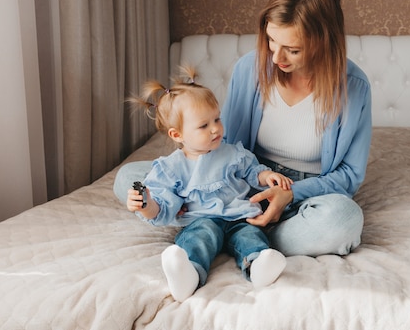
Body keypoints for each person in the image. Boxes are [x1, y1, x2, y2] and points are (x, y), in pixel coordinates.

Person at [115, 0, 372, 260]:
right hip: (242, 181)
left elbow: (349, 176)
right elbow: (228, 144)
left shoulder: (354, 88)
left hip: (305, 194)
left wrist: (290, 193)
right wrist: (210, 182)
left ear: (324, 43)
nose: (276, 58)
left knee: (343, 218)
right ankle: (239, 231)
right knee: (130, 179)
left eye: (293, 49)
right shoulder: (250, 68)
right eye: (272, 41)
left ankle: (227, 231)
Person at [125, 68, 292, 302]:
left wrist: (267, 177)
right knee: (198, 238)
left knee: (250, 235)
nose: (215, 128)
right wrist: (145, 205)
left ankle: (258, 265)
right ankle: (188, 273)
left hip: (238, 216)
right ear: (177, 134)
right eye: (204, 126)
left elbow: (252, 172)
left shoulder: (233, 153)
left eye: (217, 119)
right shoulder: (170, 168)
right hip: (200, 219)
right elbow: (163, 209)